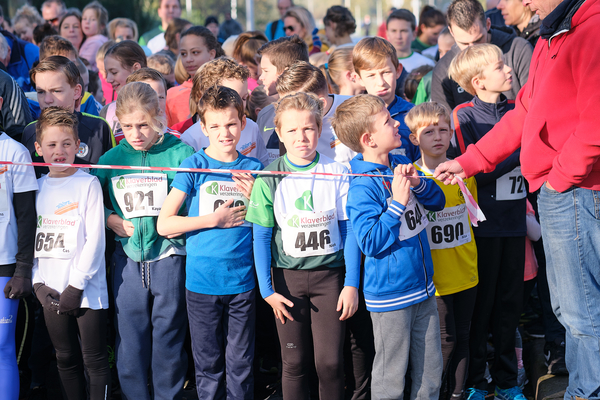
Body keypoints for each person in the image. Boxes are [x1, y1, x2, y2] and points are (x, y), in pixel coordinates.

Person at [434, 0, 600, 397]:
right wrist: (471, 161)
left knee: (581, 312)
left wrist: (560, 178)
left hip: (574, 191)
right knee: (568, 310)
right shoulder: (553, 33)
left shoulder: (588, 29)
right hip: (561, 190)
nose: (520, 2)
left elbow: (594, 122)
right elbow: (525, 111)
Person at [246, 92, 360, 400]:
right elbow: (260, 237)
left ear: (320, 130)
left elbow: (349, 231)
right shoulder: (269, 177)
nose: (301, 137)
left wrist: (351, 284)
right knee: (294, 363)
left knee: (331, 363)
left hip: (331, 279)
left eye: (308, 128)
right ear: (279, 133)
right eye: (292, 130)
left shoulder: (337, 171)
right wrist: (267, 291)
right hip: (287, 282)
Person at [333, 93, 445, 400]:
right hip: (391, 297)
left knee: (431, 372)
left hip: (424, 287)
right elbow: (370, 242)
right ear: (368, 139)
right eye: (387, 120)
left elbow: (438, 201)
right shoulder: (361, 185)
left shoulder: (400, 161)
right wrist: (396, 204)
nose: (396, 122)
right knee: (391, 376)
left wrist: (420, 184)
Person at [158, 85, 261, 399]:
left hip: (242, 281)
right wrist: (212, 220)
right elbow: (165, 224)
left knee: (241, 362)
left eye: (231, 124)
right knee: (208, 363)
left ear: (243, 123)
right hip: (201, 283)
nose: (224, 132)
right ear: (202, 128)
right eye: (215, 126)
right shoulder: (193, 167)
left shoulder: (254, 170)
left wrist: (255, 199)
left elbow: (267, 226)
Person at [93, 82, 194, 400]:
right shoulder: (110, 159)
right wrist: (110, 218)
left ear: (159, 118)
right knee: (131, 337)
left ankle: (169, 395)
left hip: (170, 256)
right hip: (127, 259)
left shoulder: (182, 153)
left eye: (144, 125)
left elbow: (197, 199)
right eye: (127, 126)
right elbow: (91, 201)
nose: (135, 134)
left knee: (169, 335)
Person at [446, 43, 526, 400]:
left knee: (511, 306)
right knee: (483, 308)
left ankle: (508, 382)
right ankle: (476, 381)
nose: (508, 70)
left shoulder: (519, 109)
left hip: (515, 222)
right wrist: (521, 151)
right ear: (478, 81)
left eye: (506, 64)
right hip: (482, 227)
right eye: (499, 66)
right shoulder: (464, 116)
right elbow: (473, 171)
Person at [32, 106, 110, 399]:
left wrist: (76, 286)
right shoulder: (36, 188)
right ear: (39, 149)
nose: (59, 151)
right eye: (51, 145)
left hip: (86, 292)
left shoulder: (88, 183)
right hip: (50, 291)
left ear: (78, 145)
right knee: (64, 358)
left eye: (66, 143)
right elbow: (32, 241)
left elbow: (94, 240)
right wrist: (37, 282)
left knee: (94, 359)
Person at [406, 102, 478, 400]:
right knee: (443, 341)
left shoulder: (465, 173)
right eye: (428, 131)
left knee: (464, 337)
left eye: (443, 130)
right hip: (434, 278)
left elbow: (472, 219)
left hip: (466, 269)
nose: (437, 137)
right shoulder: (413, 180)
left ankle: (458, 393)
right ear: (414, 138)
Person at [431, 0, 533, 112]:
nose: (473, 48)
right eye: (464, 44)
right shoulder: (443, 70)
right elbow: (445, 123)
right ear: (451, 32)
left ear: (488, 24)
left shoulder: (518, 49)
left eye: (478, 40)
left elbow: (534, 101)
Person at [21, 56, 114, 178]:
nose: (47, 100)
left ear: (76, 91)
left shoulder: (99, 128)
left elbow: (110, 181)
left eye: (56, 91)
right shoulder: (30, 132)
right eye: (41, 92)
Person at [0, 115, 38, 400]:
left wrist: (23, 269)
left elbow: (27, 217)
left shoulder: (14, 151)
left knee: (2, 347)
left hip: (5, 266)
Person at [180, 57, 269, 166]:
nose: (240, 103)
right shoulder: (191, 138)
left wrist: (255, 182)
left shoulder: (252, 127)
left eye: (244, 98)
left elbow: (264, 167)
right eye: (232, 97)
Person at [275, 61, 356, 167]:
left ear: (321, 104)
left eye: (293, 104)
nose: (284, 109)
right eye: (282, 103)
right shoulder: (286, 118)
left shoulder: (358, 110)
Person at [352, 36, 419, 161]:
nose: (381, 82)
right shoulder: (353, 118)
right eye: (371, 75)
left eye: (386, 72)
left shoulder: (414, 115)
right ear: (359, 78)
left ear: (398, 70)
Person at [166, 26, 223, 127]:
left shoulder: (227, 87)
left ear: (211, 54)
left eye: (195, 52)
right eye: (183, 54)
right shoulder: (171, 95)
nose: (188, 59)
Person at [100, 40, 147, 132]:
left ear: (136, 69)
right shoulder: (107, 111)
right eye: (107, 72)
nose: (108, 79)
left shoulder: (159, 103)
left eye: (114, 72)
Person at [78, 1, 109, 71]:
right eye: (84, 18)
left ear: (102, 25)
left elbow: (81, 64)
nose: (87, 22)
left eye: (92, 19)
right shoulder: (91, 39)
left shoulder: (96, 43)